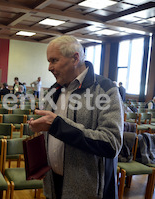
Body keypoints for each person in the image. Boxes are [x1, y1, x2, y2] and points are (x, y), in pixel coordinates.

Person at [28, 35, 123, 199]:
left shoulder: (105, 90)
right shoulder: (53, 90)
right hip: (53, 184)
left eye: (54, 60)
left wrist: (57, 126)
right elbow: (49, 131)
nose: (49, 67)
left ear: (75, 58)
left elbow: (111, 143)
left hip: (86, 190)